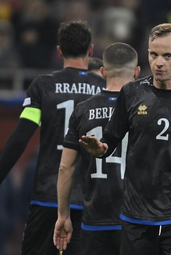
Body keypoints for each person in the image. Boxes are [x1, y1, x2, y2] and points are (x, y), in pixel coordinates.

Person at [79, 23, 171, 255]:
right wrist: (100, 149)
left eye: (167, 56)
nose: (159, 62)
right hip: (137, 213)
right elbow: (110, 141)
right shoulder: (131, 93)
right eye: (153, 54)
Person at [0, 20, 106, 255]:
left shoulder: (43, 86)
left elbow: (19, 138)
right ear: (90, 50)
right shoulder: (105, 90)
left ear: (59, 51)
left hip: (48, 197)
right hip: (92, 200)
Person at [53, 42, 140, 255]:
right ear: (137, 72)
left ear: (102, 72)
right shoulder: (145, 108)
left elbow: (65, 167)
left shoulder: (82, 110)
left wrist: (63, 216)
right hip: (137, 218)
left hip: (95, 218)